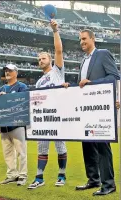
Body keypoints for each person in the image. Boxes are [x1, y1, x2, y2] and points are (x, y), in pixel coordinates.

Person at [75, 29, 120, 196]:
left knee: (102, 145)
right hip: (86, 108)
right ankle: (93, 179)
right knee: (87, 144)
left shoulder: (103, 53)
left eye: (84, 39)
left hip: (101, 108)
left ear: (93, 39)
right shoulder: (83, 61)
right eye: (80, 40)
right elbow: (81, 85)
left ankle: (109, 184)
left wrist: (92, 83)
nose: (82, 42)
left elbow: (115, 76)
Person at [28, 19, 67, 189]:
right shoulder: (38, 82)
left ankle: (62, 175)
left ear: (50, 60)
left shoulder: (57, 71)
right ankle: (39, 177)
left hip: (57, 115)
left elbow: (59, 50)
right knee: (42, 147)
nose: (40, 60)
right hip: (43, 118)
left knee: (60, 146)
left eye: (43, 58)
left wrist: (55, 31)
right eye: (39, 59)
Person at [0, 64, 28, 186]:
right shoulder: (1, 88)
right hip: (4, 125)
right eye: (6, 71)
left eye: (10, 70)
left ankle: (22, 175)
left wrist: (8, 97)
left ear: (16, 72)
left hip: (17, 123)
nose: (7, 72)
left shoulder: (21, 86)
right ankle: (11, 175)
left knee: (21, 151)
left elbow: (23, 102)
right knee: (8, 152)